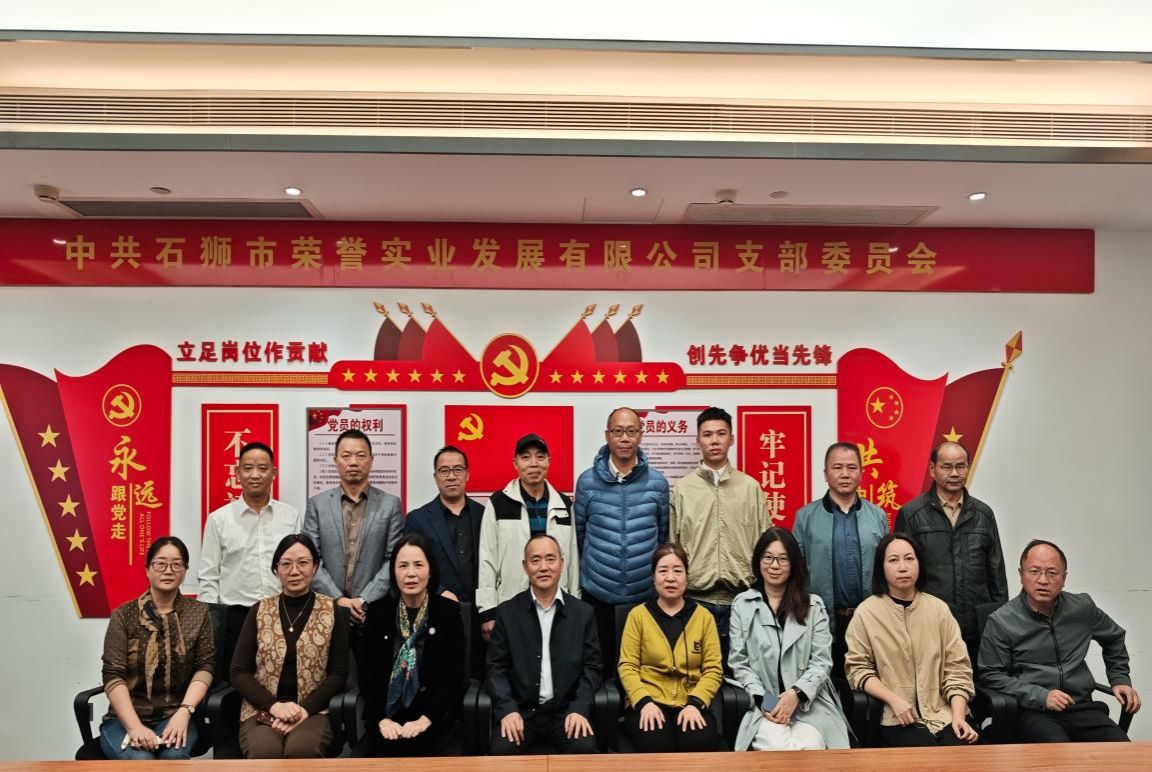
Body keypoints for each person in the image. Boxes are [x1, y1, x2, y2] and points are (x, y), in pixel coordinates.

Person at [978, 539, 1141, 742]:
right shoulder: (1002, 620)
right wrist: (1041, 696)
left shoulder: (1082, 608)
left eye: (1052, 573)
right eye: (1034, 571)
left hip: (1081, 706)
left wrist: (1119, 679)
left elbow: (1114, 637)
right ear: (1021, 575)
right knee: (1061, 753)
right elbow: (991, 674)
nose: (1043, 580)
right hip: (1033, 711)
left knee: (1122, 750)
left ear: (1064, 578)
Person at [844, 533, 978, 747]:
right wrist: (893, 699)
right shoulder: (866, 613)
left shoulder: (939, 610)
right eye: (893, 560)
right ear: (881, 568)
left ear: (919, 563)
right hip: (894, 717)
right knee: (924, 752)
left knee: (964, 750)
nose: (903, 567)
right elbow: (857, 670)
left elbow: (958, 670)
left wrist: (959, 717)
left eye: (909, 558)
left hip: (944, 713)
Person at [730, 527, 850, 751]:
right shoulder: (742, 605)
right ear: (758, 561)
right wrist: (766, 701)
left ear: (794, 564)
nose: (774, 565)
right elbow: (739, 663)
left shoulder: (813, 606)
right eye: (768, 557)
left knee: (810, 746)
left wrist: (796, 695)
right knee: (778, 747)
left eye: (783, 559)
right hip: (765, 705)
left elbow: (822, 662)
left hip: (809, 704)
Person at [230, 534, 350, 758]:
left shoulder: (332, 611)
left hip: (313, 710)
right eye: (286, 564)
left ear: (315, 567)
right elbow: (238, 671)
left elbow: (338, 673)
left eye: (303, 562)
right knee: (265, 751)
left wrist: (304, 709)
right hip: (262, 709)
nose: (295, 571)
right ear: (276, 570)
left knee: (302, 750)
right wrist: (274, 706)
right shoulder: (259, 610)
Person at [99, 536, 215, 760]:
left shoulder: (199, 613)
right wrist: (134, 727)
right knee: (141, 760)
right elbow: (113, 674)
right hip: (125, 719)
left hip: (176, 715)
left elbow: (205, 666)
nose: (168, 571)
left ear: (185, 570)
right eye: (160, 564)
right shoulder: (124, 615)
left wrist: (185, 712)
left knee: (173, 757)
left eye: (177, 564)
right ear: (147, 569)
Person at [486, 533, 601, 755]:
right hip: (522, 713)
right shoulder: (507, 613)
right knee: (500, 754)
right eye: (535, 560)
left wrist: (580, 708)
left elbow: (592, 668)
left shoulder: (583, 613)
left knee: (585, 751)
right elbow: (495, 668)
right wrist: (507, 709)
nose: (544, 567)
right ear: (525, 567)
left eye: (550, 559)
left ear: (562, 563)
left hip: (566, 713)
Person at [669, 406, 769, 662]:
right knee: (694, 671)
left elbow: (766, 545)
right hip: (694, 600)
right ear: (698, 441)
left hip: (742, 600)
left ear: (731, 439)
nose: (714, 440)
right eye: (707, 434)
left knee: (741, 672)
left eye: (721, 434)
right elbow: (672, 546)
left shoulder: (750, 488)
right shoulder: (683, 489)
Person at [895, 440, 1008, 662]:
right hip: (928, 625)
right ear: (932, 469)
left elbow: (997, 575)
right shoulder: (912, 514)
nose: (955, 473)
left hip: (977, 627)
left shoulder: (983, 514)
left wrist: (1000, 622)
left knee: (976, 682)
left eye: (961, 466)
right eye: (947, 466)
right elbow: (901, 575)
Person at [576, 407, 669, 669]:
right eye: (618, 431)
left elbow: (662, 534)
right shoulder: (586, 482)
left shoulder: (658, 483)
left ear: (640, 435)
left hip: (644, 594)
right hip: (598, 593)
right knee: (599, 668)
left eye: (631, 431)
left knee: (642, 669)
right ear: (607, 435)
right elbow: (580, 534)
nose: (624, 438)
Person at [359, 534, 466, 757]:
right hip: (387, 719)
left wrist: (425, 720)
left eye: (418, 565)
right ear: (393, 572)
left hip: (433, 718)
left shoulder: (447, 612)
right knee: (383, 751)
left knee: (418, 748)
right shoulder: (378, 613)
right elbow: (367, 676)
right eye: (403, 566)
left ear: (431, 570)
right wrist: (382, 720)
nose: (411, 573)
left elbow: (453, 677)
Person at [303, 428, 404, 664]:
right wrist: (338, 599)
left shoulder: (390, 504)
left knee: (374, 677)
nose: (353, 462)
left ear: (371, 460)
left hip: (374, 611)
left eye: (360, 455)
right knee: (326, 676)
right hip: (327, 609)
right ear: (335, 460)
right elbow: (311, 559)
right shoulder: (317, 504)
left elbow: (393, 559)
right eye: (346, 456)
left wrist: (363, 600)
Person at [198, 441, 302, 672]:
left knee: (283, 678)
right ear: (238, 473)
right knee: (235, 680)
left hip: (283, 613)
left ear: (274, 473)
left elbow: (300, 568)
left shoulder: (290, 516)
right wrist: (212, 623)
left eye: (263, 468)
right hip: (236, 617)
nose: (255, 475)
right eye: (248, 468)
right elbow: (208, 575)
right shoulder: (219, 520)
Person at [793, 441, 889, 679]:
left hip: (870, 618)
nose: (845, 474)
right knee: (824, 684)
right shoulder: (806, 517)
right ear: (825, 474)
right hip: (822, 620)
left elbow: (887, 569)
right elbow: (795, 572)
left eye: (851, 467)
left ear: (861, 473)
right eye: (837, 467)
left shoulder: (877, 516)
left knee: (868, 684)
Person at [617, 543, 722, 753]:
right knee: (656, 744)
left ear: (687, 577)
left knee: (698, 742)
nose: (670, 578)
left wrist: (695, 703)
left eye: (678, 571)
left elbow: (713, 669)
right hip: (648, 701)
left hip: (691, 701)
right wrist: (644, 702)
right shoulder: (638, 616)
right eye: (663, 571)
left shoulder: (704, 617)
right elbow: (627, 666)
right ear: (653, 577)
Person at [477, 433, 580, 642]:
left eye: (540, 457)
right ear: (515, 463)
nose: (534, 463)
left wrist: (574, 602)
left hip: (556, 602)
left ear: (549, 462)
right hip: (511, 602)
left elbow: (572, 561)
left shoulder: (563, 504)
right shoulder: (499, 502)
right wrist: (487, 610)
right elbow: (487, 558)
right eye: (525, 457)